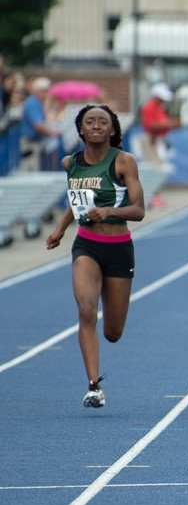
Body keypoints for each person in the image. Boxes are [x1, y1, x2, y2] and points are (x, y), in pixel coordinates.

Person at [45, 104, 146, 408]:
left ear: (113, 129)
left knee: (113, 332)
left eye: (104, 122)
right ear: (81, 129)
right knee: (86, 309)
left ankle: (107, 337)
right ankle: (93, 386)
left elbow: (139, 210)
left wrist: (110, 211)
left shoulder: (124, 162)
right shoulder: (70, 163)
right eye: (90, 122)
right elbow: (77, 201)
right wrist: (61, 229)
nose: (97, 126)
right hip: (86, 245)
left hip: (118, 247)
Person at [19, 77, 59, 171]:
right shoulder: (32, 103)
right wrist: (52, 133)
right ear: (38, 91)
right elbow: (38, 126)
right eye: (45, 91)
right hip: (30, 142)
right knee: (31, 169)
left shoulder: (38, 103)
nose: (47, 94)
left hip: (34, 141)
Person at [139, 82, 179, 166]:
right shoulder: (149, 107)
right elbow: (150, 126)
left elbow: (163, 122)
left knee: (159, 164)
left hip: (159, 139)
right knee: (153, 165)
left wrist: (171, 124)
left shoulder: (160, 107)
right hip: (152, 139)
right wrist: (168, 124)